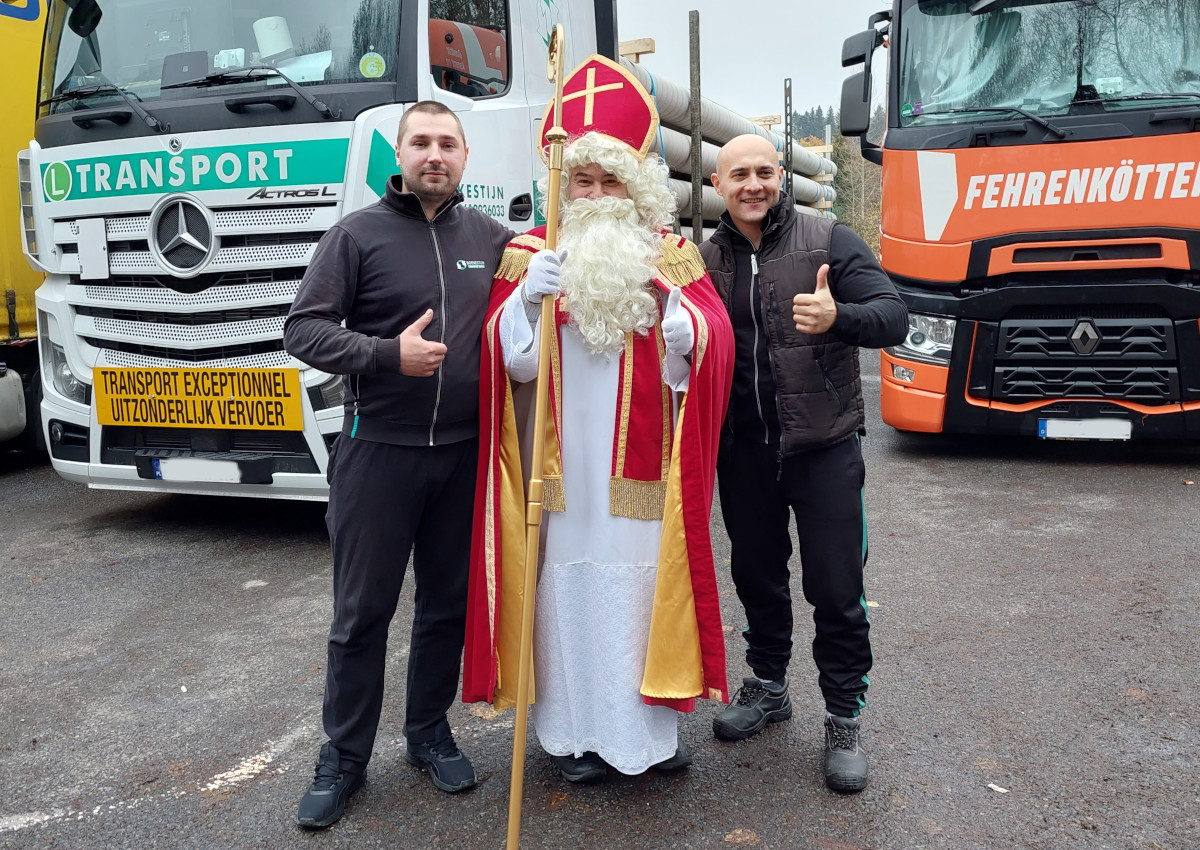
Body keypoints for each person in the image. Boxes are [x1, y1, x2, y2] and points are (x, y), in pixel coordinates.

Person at [461, 56, 734, 783]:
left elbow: (714, 341)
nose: (596, 192)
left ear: (636, 186)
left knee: (642, 594)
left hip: (641, 473)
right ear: (564, 186)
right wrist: (523, 303)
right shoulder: (530, 255)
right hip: (561, 475)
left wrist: (688, 342)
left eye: (610, 179)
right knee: (572, 595)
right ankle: (575, 738)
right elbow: (505, 365)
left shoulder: (672, 254)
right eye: (582, 180)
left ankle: (648, 742)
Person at [283, 100, 514, 828]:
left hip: (463, 455)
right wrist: (389, 356)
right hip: (377, 450)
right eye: (421, 143)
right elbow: (304, 330)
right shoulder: (356, 236)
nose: (434, 155)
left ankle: (428, 732)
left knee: (446, 605)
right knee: (362, 614)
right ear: (401, 155)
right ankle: (344, 758)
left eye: (447, 143)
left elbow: (555, 285)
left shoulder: (493, 239)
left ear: (466, 157)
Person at [699, 134, 908, 793]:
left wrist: (839, 315)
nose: (753, 184)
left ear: (781, 176)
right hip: (744, 452)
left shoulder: (828, 240)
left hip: (823, 452)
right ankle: (767, 685)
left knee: (836, 591)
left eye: (764, 171)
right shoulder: (705, 260)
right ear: (716, 184)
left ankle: (844, 718)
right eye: (740, 175)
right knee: (757, 578)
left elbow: (894, 316)